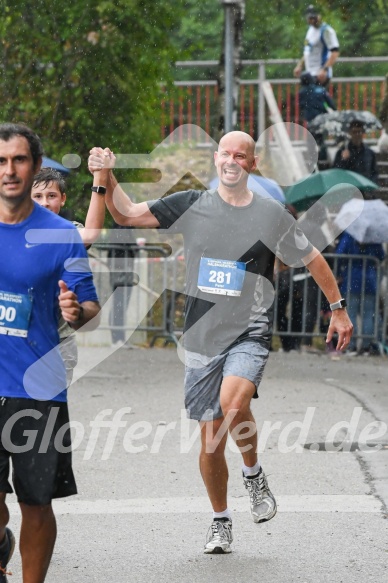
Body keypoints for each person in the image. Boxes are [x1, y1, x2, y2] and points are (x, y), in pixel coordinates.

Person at [88, 132, 353, 554]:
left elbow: (312, 257)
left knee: (233, 403)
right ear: (216, 160)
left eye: (240, 155)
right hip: (201, 335)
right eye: (225, 153)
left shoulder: (270, 214)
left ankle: (252, 474)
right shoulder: (193, 204)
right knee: (211, 440)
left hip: (249, 328)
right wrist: (107, 175)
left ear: (252, 163)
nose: (232, 160)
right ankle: (220, 520)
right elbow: (128, 216)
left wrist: (337, 307)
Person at [0, 123, 101, 582]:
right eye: (1, 161)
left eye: (19, 160)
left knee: (36, 503)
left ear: (36, 166)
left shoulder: (61, 235)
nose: (9, 170)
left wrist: (75, 309)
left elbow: (90, 307)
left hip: (37, 386)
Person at [31, 167, 106, 384]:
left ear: (62, 199)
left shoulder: (67, 232)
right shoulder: (11, 230)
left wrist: (100, 180)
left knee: (51, 413)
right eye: (37, 196)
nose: (44, 202)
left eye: (51, 195)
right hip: (16, 341)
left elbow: (90, 233)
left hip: (58, 341)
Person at [336, 230, 384, 355]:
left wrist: (339, 273)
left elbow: (340, 253)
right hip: (370, 279)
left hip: (351, 279)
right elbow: (382, 255)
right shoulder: (374, 235)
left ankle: (350, 345)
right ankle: (366, 346)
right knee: (368, 314)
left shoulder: (350, 233)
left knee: (350, 314)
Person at [293, 5, 340, 87]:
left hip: (319, 73)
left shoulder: (326, 31)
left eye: (313, 18)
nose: (310, 20)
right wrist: (300, 65)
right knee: (310, 98)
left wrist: (325, 69)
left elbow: (335, 52)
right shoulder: (310, 30)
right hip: (310, 73)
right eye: (309, 18)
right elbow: (308, 51)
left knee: (315, 97)